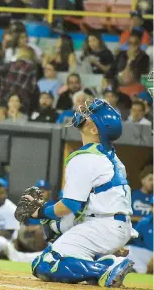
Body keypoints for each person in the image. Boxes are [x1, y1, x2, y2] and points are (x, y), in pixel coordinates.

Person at [28, 98, 133, 287]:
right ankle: (102, 261)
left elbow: (70, 205)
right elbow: (83, 206)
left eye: (91, 116)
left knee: (46, 264)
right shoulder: (111, 157)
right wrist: (55, 224)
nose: (85, 114)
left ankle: (106, 268)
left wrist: (39, 212)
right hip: (110, 224)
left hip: (103, 225)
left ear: (95, 130)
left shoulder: (85, 157)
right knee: (51, 238)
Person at [0, 47, 38, 114]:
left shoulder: (10, 64)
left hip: (5, 96)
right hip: (21, 99)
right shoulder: (32, 67)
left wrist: (3, 86)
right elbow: (33, 86)